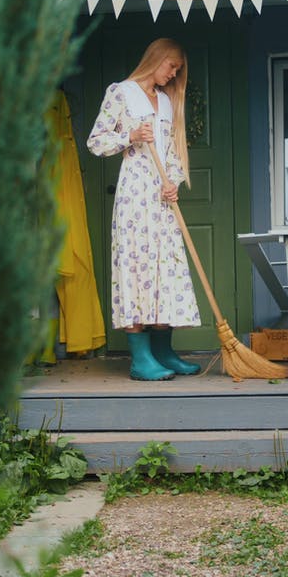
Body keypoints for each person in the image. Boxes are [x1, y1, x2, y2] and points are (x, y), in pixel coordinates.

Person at [87, 38, 201, 380]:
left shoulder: (166, 102)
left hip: (162, 198)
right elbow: (96, 142)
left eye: (178, 69)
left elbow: (173, 153)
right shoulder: (121, 93)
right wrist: (131, 135)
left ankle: (164, 353)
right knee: (136, 267)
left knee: (165, 270)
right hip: (134, 197)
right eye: (172, 66)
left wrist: (174, 182)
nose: (174, 73)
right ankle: (141, 360)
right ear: (157, 59)